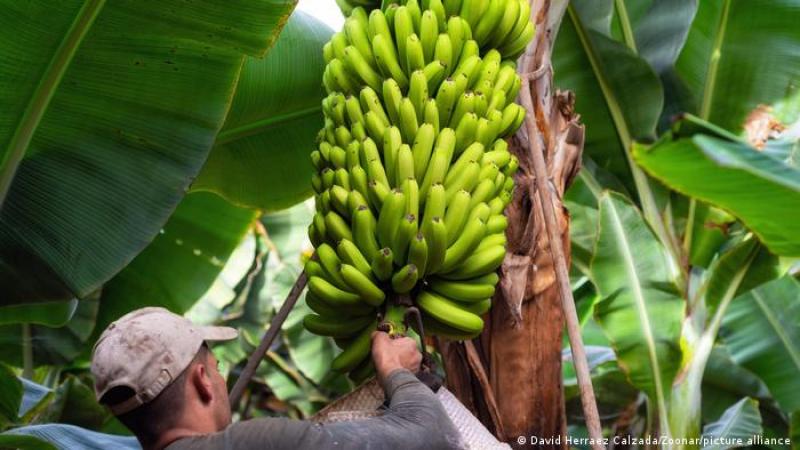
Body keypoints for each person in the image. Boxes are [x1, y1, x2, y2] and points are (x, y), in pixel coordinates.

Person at [91, 307, 462, 450]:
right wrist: (396, 369)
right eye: (217, 367)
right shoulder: (249, 445)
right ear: (203, 380)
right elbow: (430, 435)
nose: (220, 378)